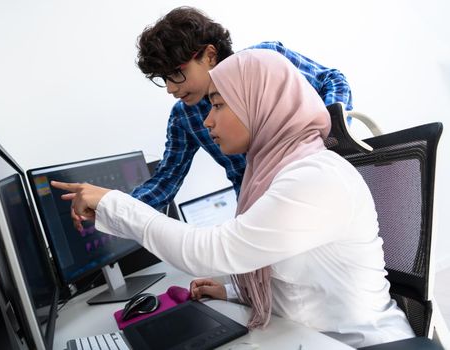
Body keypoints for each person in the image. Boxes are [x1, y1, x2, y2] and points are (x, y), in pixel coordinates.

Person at [51, 49, 414, 348]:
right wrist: (234, 290)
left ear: (260, 103)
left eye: (219, 105)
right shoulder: (271, 173)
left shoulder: (314, 177)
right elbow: (294, 278)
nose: (207, 121)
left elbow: (210, 251)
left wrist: (114, 202)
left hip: (362, 344)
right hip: (307, 336)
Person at [131, 6, 353, 210]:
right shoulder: (184, 116)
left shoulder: (265, 65)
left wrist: (328, 137)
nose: (170, 88)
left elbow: (332, 80)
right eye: (163, 78)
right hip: (256, 208)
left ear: (209, 55)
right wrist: (109, 206)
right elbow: (166, 179)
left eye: (176, 73)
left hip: (315, 192)